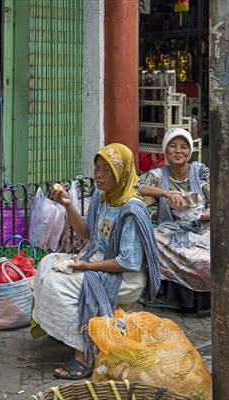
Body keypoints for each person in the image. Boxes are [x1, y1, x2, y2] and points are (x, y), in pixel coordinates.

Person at [30, 143, 161, 380]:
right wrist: (68, 205)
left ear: (121, 174)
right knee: (46, 266)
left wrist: (86, 266)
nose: (99, 174)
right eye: (97, 168)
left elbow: (128, 263)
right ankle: (66, 333)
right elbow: (87, 233)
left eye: (107, 170)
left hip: (124, 277)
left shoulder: (132, 210)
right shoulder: (102, 196)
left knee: (58, 285)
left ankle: (85, 354)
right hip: (98, 261)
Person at [137, 128, 211, 312]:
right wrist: (165, 193)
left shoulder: (199, 170)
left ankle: (204, 297)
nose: (178, 151)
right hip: (172, 232)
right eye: (173, 146)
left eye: (184, 147)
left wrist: (201, 215)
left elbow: (219, 199)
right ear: (166, 151)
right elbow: (135, 186)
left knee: (211, 256)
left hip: (202, 228)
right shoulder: (159, 175)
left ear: (190, 151)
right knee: (151, 238)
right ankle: (169, 296)